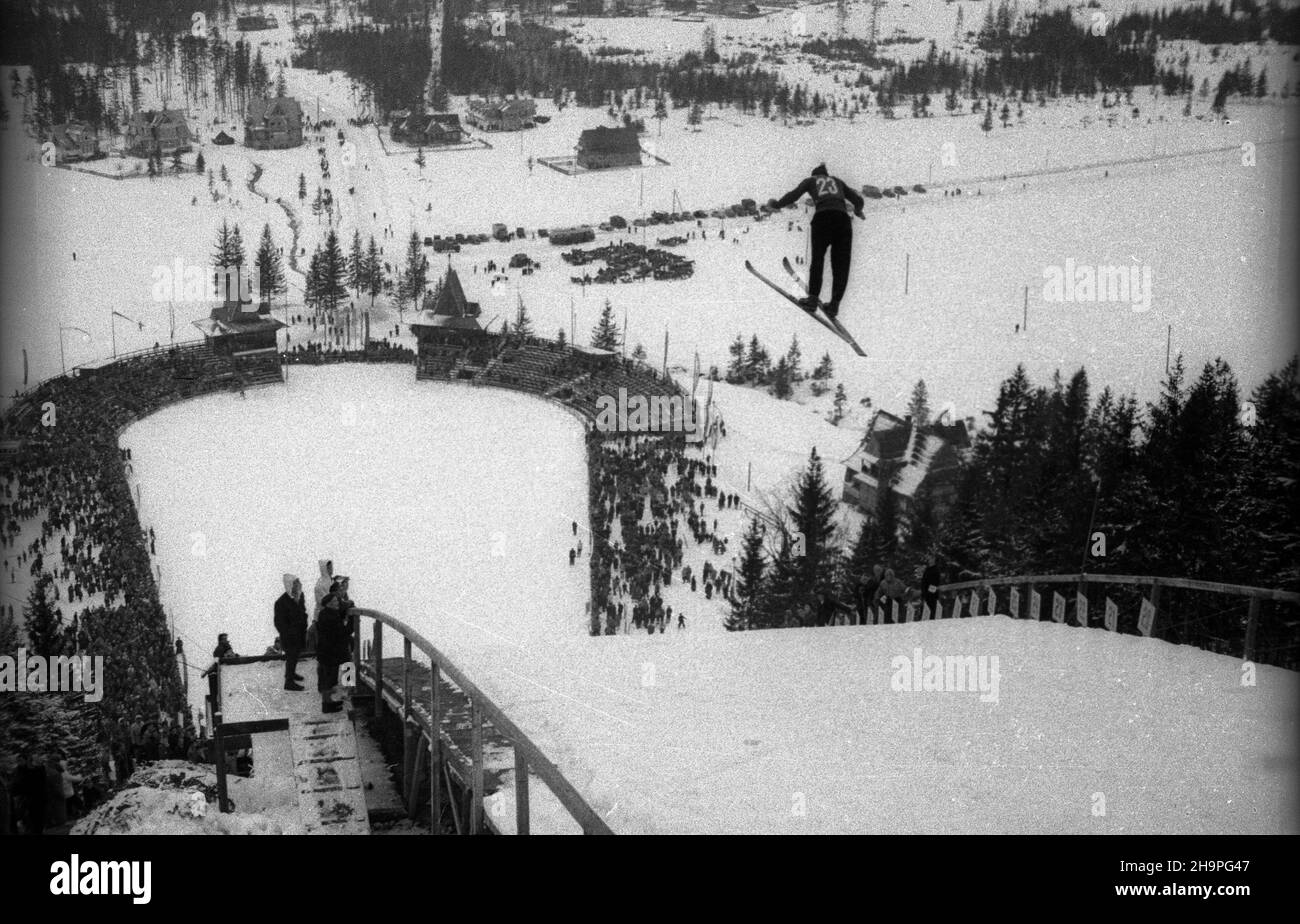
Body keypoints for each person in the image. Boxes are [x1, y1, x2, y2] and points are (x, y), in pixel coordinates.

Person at [768, 163, 865, 319]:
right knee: (841, 264)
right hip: (842, 221)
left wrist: (777, 204)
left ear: (815, 174)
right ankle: (834, 305)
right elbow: (858, 200)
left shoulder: (811, 181)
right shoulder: (837, 181)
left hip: (823, 218)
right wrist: (858, 210)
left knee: (818, 259)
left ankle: (813, 299)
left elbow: (794, 195)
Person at [316, 581, 354, 714]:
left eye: (337, 601)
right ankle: (328, 705)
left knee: (330, 676)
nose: (337, 603)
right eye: (334, 602)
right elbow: (344, 631)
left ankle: (330, 701)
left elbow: (341, 607)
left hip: (327, 650)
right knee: (332, 675)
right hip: (331, 652)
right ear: (328, 604)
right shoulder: (331, 617)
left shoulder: (326, 613)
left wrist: (347, 605)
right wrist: (353, 621)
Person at [274, 574, 308, 691]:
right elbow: (279, 623)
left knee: (295, 655)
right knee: (291, 656)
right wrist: (289, 633)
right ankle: (288, 682)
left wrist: (304, 623)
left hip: (299, 633)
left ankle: (292, 673)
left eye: (297, 583)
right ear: (289, 585)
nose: (298, 585)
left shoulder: (300, 596)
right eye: (295, 583)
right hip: (289, 637)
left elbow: (303, 611)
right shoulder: (281, 602)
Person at [15, 750, 46, 835]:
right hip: (26, 800)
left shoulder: (38, 770)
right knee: (31, 820)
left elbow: (42, 783)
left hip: (37, 799)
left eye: (20, 760)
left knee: (37, 820)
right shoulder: (20, 771)